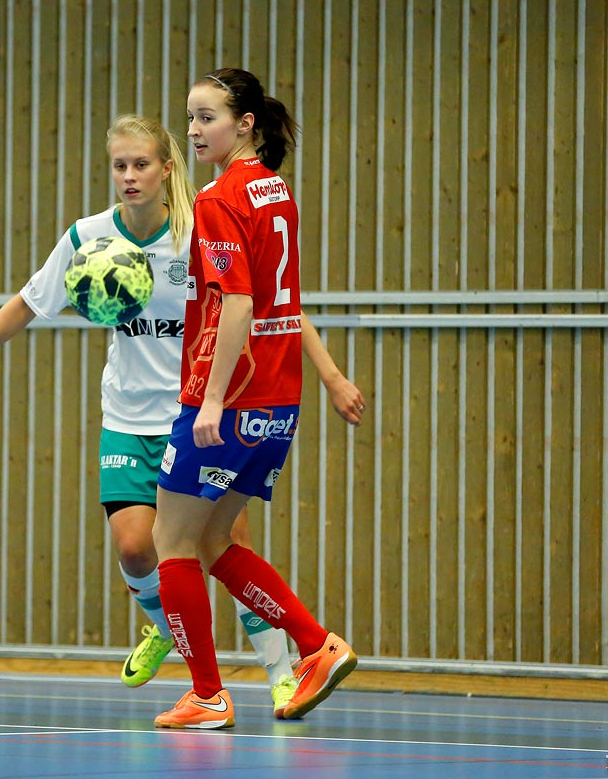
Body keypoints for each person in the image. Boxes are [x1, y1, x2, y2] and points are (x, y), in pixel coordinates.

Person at [0, 114, 364, 717]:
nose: (130, 176)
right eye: (120, 165)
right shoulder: (90, 240)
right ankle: (178, 633)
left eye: (141, 164)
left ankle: (276, 671)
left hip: (196, 411)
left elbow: (270, 305)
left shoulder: (200, 231)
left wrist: (330, 374)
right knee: (143, 549)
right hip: (126, 415)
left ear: (168, 169)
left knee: (214, 542)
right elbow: (29, 300)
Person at [151, 68, 357, 730]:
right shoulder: (277, 190)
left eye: (207, 116)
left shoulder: (219, 199)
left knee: (172, 542)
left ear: (245, 123)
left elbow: (238, 302)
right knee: (212, 542)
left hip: (230, 400)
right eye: (189, 117)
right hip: (277, 401)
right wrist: (327, 377)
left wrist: (209, 402)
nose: (193, 129)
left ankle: (208, 694)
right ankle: (315, 645)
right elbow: (284, 302)